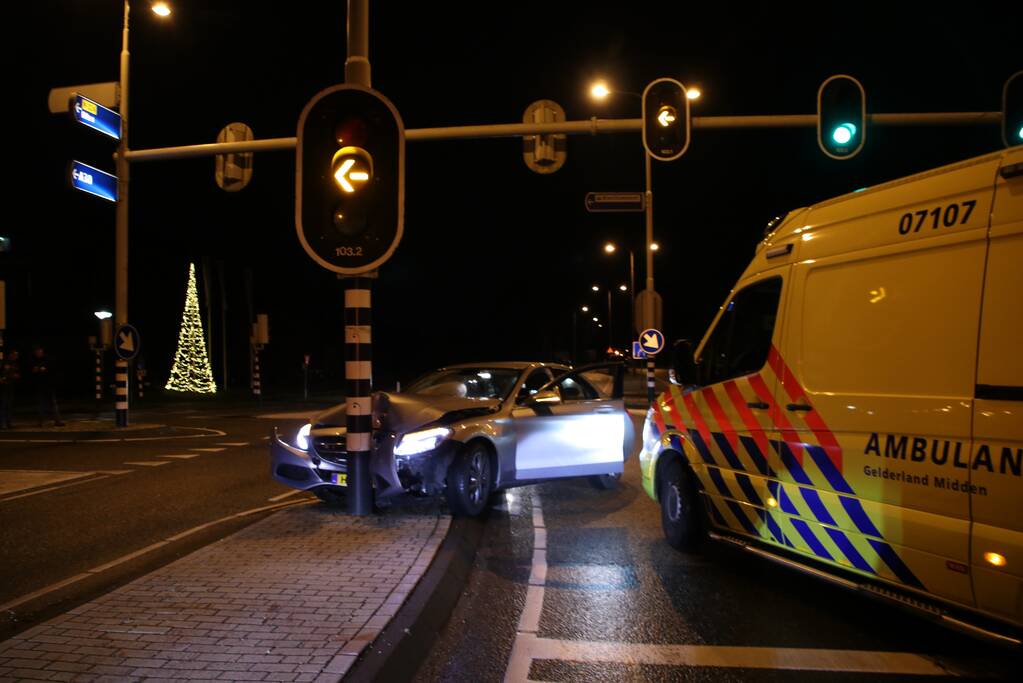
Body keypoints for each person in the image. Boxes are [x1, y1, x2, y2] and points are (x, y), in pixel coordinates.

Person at [30, 346, 63, 427]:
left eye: (39, 352)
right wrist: (38, 369)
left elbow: (52, 369)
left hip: (48, 385)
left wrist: (43, 369)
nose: (38, 353)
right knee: (41, 404)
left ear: (42, 351)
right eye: (37, 352)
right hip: (40, 386)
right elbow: (33, 371)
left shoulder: (48, 359)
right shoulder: (34, 360)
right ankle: (40, 422)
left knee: (53, 404)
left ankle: (57, 421)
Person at [0, 350, 20, 429]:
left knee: (9, 406)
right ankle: (3, 423)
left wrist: (16, 376)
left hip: (11, 386)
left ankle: (9, 422)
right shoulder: (4, 362)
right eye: (14, 355)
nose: (16, 357)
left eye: (16, 355)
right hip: (4, 387)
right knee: (3, 405)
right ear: (10, 355)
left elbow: (17, 373)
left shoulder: (15, 364)